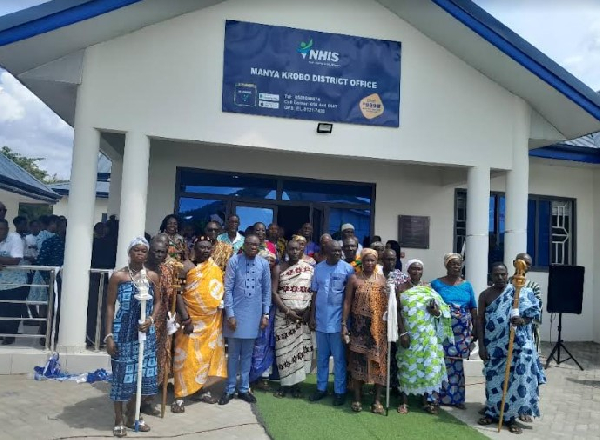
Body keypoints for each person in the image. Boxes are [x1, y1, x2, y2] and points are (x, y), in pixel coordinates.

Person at [477, 262, 546, 434]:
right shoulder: (485, 295)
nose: (500, 277)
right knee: (493, 381)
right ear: (490, 276)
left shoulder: (518, 293)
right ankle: (492, 413)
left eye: (503, 274)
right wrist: (481, 345)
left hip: (516, 347)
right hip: (493, 347)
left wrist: (522, 320)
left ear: (508, 275)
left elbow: (532, 315)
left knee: (513, 383)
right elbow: (480, 321)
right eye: (496, 274)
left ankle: (510, 417)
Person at [105, 237, 161, 436]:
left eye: (143, 251)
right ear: (130, 253)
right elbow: (110, 306)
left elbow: (157, 303)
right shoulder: (119, 277)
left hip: (145, 333)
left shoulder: (153, 276)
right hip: (123, 332)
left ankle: (133, 415)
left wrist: (152, 320)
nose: (140, 254)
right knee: (122, 375)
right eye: (136, 250)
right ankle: (118, 418)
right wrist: (109, 336)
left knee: (142, 376)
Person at [171, 237, 226, 412]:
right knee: (186, 358)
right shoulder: (185, 267)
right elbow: (178, 293)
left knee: (204, 358)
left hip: (210, 323)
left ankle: (200, 389)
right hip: (190, 321)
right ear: (194, 248)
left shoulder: (214, 268)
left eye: (208, 248)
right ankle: (179, 397)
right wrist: (186, 318)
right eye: (201, 247)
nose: (205, 251)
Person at [220, 233, 271, 405]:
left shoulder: (264, 264)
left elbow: (266, 291)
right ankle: (229, 389)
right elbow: (227, 289)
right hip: (236, 315)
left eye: (256, 245)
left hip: (254, 315)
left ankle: (243, 389)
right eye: (249, 244)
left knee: (248, 354)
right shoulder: (234, 261)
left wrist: (265, 314)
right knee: (233, 354)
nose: (253, 247)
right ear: (244, 245)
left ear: (259, 246)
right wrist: (230, 314)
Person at [396, 259, 452, 415]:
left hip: (428, 334)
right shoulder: (401, 288)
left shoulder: (428, 288)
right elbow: (398, 313)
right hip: (409, 334)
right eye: (413, 269)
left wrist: (435, 312)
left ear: (422, 271)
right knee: (407, 365)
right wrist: (402, 332)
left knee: (428, 365)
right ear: (408, 271)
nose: (416, 272)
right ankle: (404, 401)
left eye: (419, 269)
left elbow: (441, 311)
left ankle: (426, 400)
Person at [342, 248, 388, 414]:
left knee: (379, 364)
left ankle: (377, 401)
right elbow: (347, 302)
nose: (369, 263)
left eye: (372, 260)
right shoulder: (354, 279)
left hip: (378, 329)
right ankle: (357, 398)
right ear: (362, 261)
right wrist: (344, 324)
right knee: (358, 362)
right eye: (366, 260)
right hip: (359, 328)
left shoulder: (382, 280)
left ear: (376, 262)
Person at [309, 241, 354, 406]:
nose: (337, 253)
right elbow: (315, 293)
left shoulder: (347, 269)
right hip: (321, 321)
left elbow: (350, 298)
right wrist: (312, 317)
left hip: (337, 323)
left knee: (339, 359)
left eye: (339, 251)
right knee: (321, 358)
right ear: (326, 251)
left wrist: (345, 323)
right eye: (334, 251)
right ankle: (321, 389)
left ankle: (339, 391)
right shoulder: (318, 268)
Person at [430, 253, 477, 409]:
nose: (456, 267)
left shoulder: (467, 285)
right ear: (446, 265)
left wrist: (475, 328)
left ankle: (457, 398)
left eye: (458, 264)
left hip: (462, 332)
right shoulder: (436, 284)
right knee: (439, 362)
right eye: (452, 264)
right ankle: (435, 398)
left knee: (457, 364)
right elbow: (430, 304)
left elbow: (473, 307)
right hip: (442, 329)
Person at [272, 240, 314, 398]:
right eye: (291, 249)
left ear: (302, 250)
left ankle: (296, 385)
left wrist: (308, 311)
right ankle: (285, 385)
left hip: (303, 316)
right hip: (284, 317)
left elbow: (313, 291)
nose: (294, 251)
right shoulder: (279, 268)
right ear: (286, 250)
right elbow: (274, 293)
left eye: (297, 249)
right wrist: (287, 311)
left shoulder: (309, 269)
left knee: (299, 353)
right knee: (284, 352)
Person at [142, 237, 178, 415]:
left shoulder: (167, 270)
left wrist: (179, 319)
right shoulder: (139, 271)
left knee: (158, 363)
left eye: (163, 252)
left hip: (162, 326)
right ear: (149, 251)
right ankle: (135, 402)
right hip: (141, 325)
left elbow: (172, 296)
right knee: (140, 363)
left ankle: (148, 401)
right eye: (156, 251)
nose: (159, 255)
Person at [249, 250, 279, 391]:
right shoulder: (253, 275)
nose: (269, 262)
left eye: (272, 260)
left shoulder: (276, 275)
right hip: (254, 316)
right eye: (266, 259)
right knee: (254, 347)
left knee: (267, 347)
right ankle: (251, 379)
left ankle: (264, 378)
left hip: (270, 317)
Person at [381, 249, 409, 393]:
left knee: (394, 353)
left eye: (393, 259)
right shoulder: (377, 274)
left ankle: (393, 385)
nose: (390, 262)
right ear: (382, 260)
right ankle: (380, 384)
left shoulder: (402, 277)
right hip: (378, 320)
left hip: (395, 319)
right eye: (387, 259)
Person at [0, 218, 27, 345]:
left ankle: (10, 336)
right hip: (1, 283)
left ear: (7, 229)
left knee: (12, 310)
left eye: (2, 229)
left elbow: (15, 260)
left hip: (15, 283)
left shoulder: (15, 238)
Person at [512, 253, 542, 354]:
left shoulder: (533, 286)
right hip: (508, 330)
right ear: (514, 263)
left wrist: (523, 320)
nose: (525, 265)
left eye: (528, 264)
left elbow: (538, 310)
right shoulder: (506, 284)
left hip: (528, 331)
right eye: (522, 262)